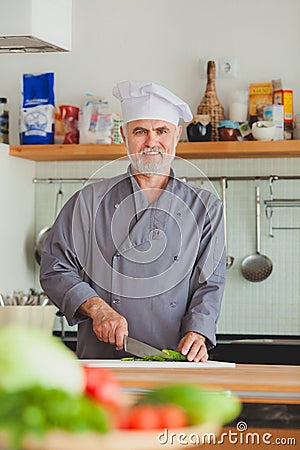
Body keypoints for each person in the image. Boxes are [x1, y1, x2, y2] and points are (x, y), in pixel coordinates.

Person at [40, 81, 226, 362]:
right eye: (140, 131)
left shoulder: (206, 207)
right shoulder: (88, 201)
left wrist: (198, 332)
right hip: (103, 358)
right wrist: (97, 309)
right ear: (123, 136)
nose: (152, 142)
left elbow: (211, 283)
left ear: (176, 136)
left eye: (161, 131)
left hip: (175, 357)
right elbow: (55, 268)